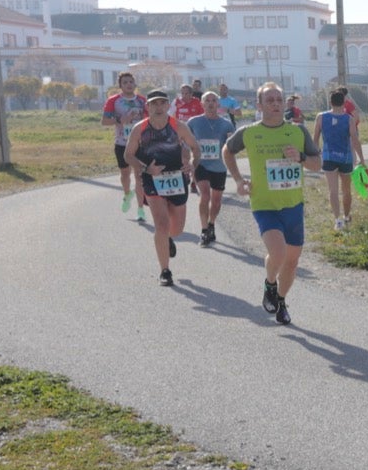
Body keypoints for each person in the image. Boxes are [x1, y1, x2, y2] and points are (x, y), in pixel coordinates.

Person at [224, 82, 319, 326]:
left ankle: (281, 301)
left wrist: (300, 157)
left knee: (292, 261)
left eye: (279, 99)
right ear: (259, 105)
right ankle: (270, 283)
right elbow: (227, 151)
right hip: (264, 204)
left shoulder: (298, 131)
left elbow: (317, 164)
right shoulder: (249, 133)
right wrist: (238, 180)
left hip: (293, 205)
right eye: (270, 100)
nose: (275, 104)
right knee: (278, 252)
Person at [125, 88, 200, 286]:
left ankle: (167, 239)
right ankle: (165, 271)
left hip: (177, 178)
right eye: (154, 104)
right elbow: (128, 155)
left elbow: (195, 148)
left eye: (162, 103)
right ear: (148, 107)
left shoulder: (178, 126)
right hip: (152, 178)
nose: (158, 107)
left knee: (176, 229)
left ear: (168, 105)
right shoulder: (140, 129)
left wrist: (192, 164)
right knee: (161, 225)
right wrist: (145, 168)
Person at [188, 90, 234, 246]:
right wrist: (188, 158)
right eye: (207, 100)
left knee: (216, 201)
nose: (210, 103)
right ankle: (204, 230)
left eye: (213, 100)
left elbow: (232, 146)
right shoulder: (193, 122)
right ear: (202, 103)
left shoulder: (226, 124)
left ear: (218, 104)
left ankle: (211, 223)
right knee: (205, 195)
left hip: (219, 166)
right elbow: (184, 141)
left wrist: (230, 141)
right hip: (201, 164)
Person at [103, 72, 149, 222]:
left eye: (131, 82)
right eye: (125, 82)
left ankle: (140, 210)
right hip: (122, 143)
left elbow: (150, 119)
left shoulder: (142, 101)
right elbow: (104, 121)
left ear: (135, 84)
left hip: (140, 144)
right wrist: (120, 120)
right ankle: (127, 193)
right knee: (125, 174)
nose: (128, 84)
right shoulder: (113, 100)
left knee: (139, 176)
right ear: (120, 86)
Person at [316, 89, 365, 230]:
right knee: (346, 190)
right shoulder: (349, 119)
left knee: (333, 190)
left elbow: (315, 139)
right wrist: (362, 159)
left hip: (328, 157)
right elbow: (355, 140)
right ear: (344, 102)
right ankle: (347, 216)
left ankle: (337, 221)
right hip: (345, 158)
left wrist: (317, 154)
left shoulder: (320, 117)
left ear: (330, 102)